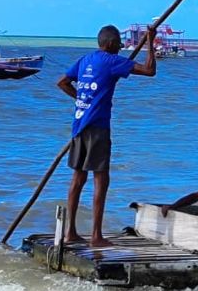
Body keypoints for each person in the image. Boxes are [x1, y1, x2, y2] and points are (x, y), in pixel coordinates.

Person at [56, 24, 157, 247]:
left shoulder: (85, 60)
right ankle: (96, 236)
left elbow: (62, 82)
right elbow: (150, 70)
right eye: (119, 43)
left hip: (79, 126)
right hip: (97, 128)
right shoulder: (112, 61)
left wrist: (82, 100)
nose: (121, 47)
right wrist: (150, 40)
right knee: (101, 178)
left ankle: (70, 232)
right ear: (110, 44)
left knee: (78, 178)